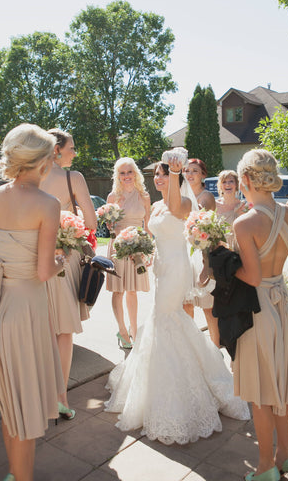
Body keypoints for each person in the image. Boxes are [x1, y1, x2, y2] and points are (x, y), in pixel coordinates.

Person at [104, 154, 250, 445]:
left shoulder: (181, 203)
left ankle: (180, 395)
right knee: (167, 321)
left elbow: (176, 210)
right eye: (156, 175)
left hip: (177, 269)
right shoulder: (156, 205)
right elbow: (154, 234)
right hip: (161, 268)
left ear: (176, 177)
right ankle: (167, 383)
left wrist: (174, 172)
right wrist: (137, 247)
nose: (157, 179)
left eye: (163, 175)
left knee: (166, 319)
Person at [0, 123, 66, 481]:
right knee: (26, 407)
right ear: (43, 163)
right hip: (26, 309)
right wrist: (63, 259)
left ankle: (15, 474)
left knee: (9, 405)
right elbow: (44, 272)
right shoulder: (47, 203)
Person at [232, 149, 288, 481]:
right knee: (281, 383)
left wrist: (225, 266)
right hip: (282, 306)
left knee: (260, 391)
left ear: (245, 179)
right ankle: (286, 456)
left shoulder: (244, 223)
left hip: (257, 309)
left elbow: (253, 277)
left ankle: (264, 467)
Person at [40, 128, 97, 418]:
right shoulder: (72, 178)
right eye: (71, 148)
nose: (75, 153)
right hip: (63, 256)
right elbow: (91, 222)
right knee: (63, 330)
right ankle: (60, 397)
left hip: (36, 257)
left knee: (42, 328)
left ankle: (41, 394)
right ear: (56, 150)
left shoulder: (31, 177)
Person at [106, 157, 151, 348]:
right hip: (118, 247)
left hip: (138, 246)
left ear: (136, 173)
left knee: (133, 290)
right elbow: (109, 226)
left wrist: (149, 251)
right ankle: (122, 331)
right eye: (122, 173)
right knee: (119, 290)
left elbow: (147, 226)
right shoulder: (113, 197)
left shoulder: (144, 196)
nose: (126, 176)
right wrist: (109, 225)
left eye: (129, 172)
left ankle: (134, 330)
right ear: (118, 176)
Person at [183, 158, 219, 346]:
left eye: (194, 171)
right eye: (187, 171)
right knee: (186, 304)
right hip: (184, 253)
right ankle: (192, 349)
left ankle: (215, 348)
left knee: (207, 306)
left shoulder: (206, 197)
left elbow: (196, 223)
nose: (190, 174)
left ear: (203, 174)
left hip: (203, 254)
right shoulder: (181, 194)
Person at [215, 169, 246, 249]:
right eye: (224, 182)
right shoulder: (214, 205)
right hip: (218, 250)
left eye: (231, 181)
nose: (227, 184)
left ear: (236, 184)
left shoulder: (243, 206)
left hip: (238, 249)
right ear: (220, 186)